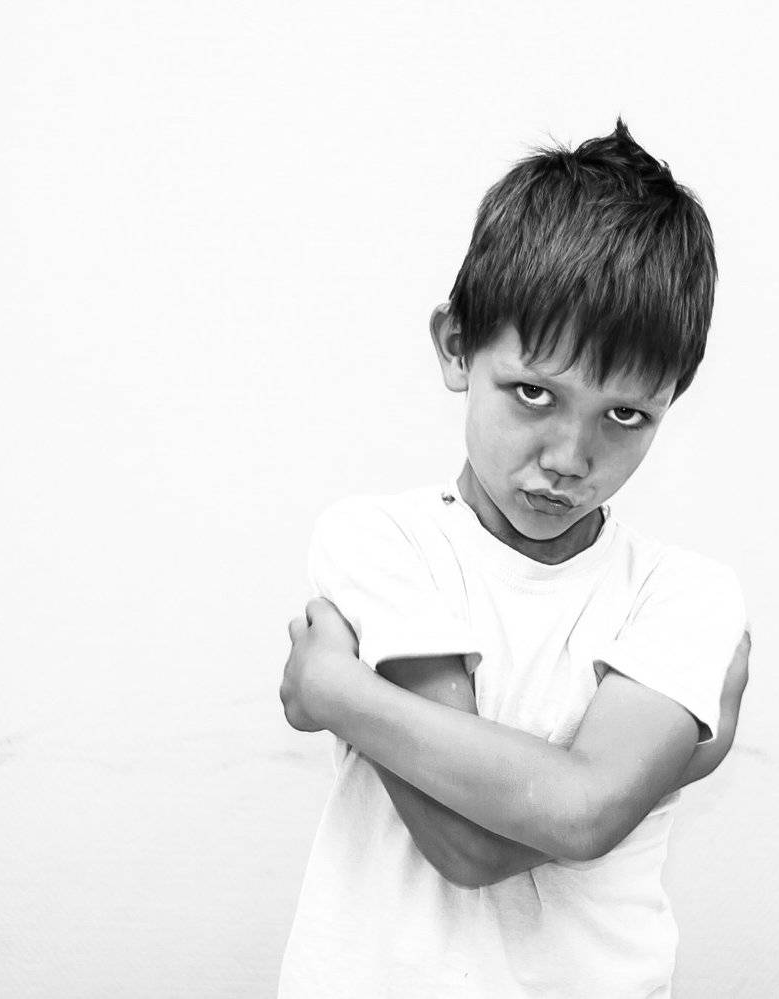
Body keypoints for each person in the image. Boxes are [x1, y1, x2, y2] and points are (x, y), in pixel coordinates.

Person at [277, 119, 752, 997]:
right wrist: (638, 772)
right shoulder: (381, 542)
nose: (569, 458)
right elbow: (468, 840)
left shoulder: (685, 595)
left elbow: (572, 816)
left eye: (625, 415)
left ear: (672, 399)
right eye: (534, 392)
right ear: (457, 346)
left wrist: (333, 690)